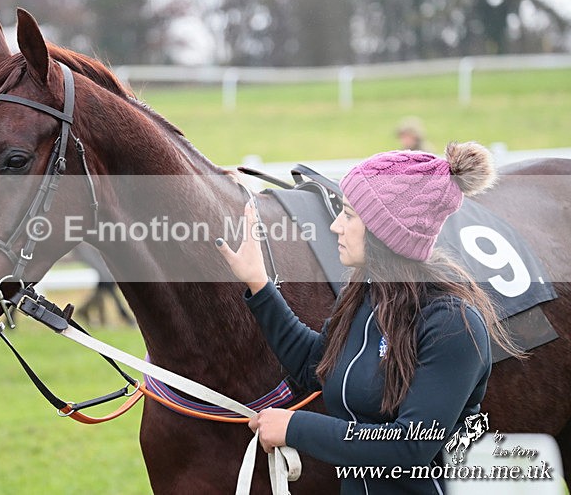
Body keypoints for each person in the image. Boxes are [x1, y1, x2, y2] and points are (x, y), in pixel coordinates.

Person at [215, 142, 520, 494]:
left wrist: (296, 427)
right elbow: (315, 364)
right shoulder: (366, 294)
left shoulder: (452, 324)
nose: (335, 227)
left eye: (348, 215)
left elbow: (411, 447)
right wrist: (259, 284)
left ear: (383, 230)